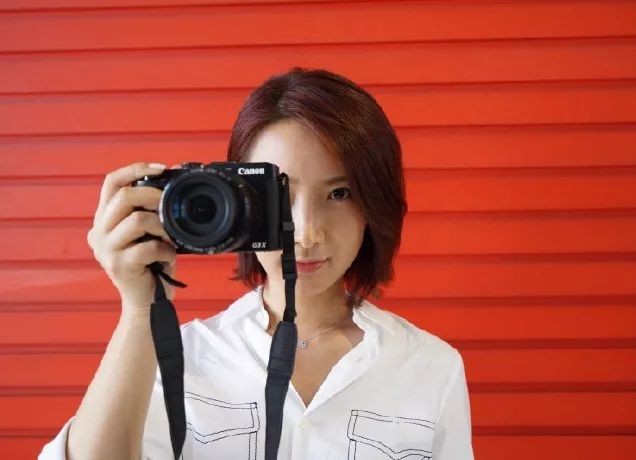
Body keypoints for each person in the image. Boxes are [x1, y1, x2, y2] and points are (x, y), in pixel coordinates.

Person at [39, 68, 474, 459]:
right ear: (238, 198)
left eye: (339, 193)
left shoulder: (432, 367)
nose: (306, 233)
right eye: (280, 193)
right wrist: (140, 311)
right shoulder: (173, 357)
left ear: (373, 205)